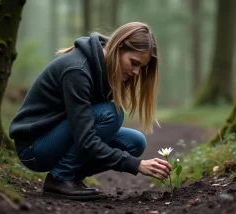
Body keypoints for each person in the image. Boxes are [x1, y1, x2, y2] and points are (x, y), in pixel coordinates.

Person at [9, 22, 172, 200]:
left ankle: (70, 178)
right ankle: (60, 178)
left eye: (141, 67)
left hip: (58, 137)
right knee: (112, 113)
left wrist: (133, 161)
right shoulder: (77, 70)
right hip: (34, 147)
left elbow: (85, 131)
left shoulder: (105, 68)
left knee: (135, 142)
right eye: (134, 63)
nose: (136, 72)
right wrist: (135, 165)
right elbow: (85, 138)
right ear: (118, 47)